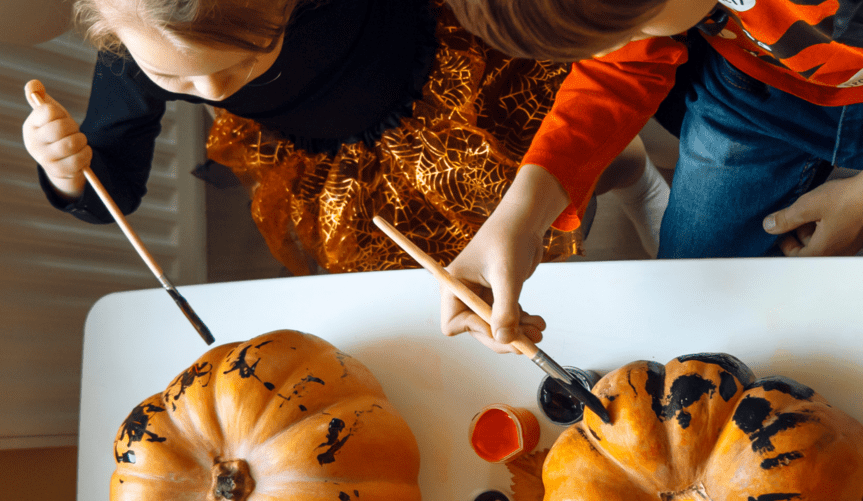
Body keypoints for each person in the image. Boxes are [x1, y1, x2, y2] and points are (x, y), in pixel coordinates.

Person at [439, 0, 863, 352]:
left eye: (632, 24)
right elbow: (622, 69)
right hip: (756, 87)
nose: (623, 45)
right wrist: (522, 210)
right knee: (701, 308)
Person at [23, 0, 665, 287]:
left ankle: (632, 174)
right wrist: (67, 169)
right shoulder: (127, 52)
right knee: (451, 253)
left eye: (250, 56)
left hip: (443, 74)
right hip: (337, 152)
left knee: (566, 139)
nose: (213, 92)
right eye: (175, 79)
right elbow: (117, 183)